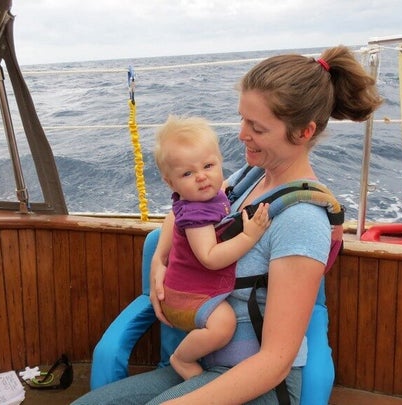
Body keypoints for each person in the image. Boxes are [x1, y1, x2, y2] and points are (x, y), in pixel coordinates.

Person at [73, 45, 381, 405]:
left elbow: (276, 363)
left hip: (257, 382)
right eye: (242, 119)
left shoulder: (301, 221)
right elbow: (186, 209)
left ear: (303, 132)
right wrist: (159, 260)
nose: (241, 134)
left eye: (257, 127)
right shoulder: (250, 176)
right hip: (204, 362)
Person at [152, 115, 271, 380]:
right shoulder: (195, 214)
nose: (202, 177)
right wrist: (249, 237)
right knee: (223, 324)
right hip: (186, 296)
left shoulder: (214, 193)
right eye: (187, 173)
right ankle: (182, 359)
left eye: (208, 165)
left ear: (220, 162)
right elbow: (210, 258)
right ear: (171, 183)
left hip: (192, 290)